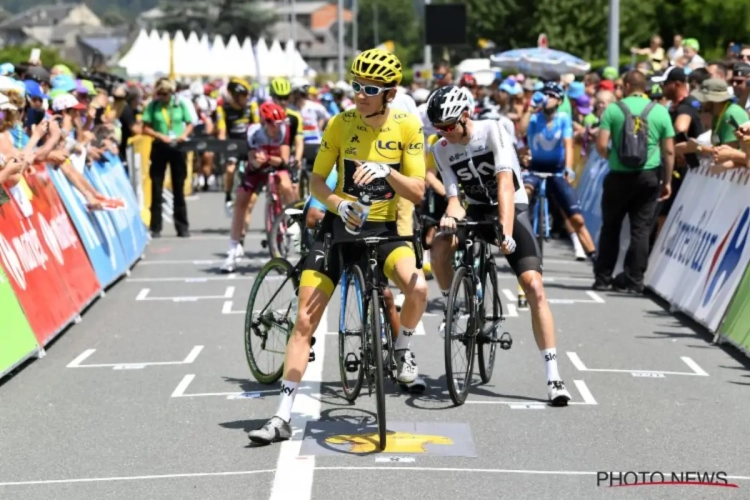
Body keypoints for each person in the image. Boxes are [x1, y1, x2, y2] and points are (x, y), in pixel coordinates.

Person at [248, 48, 428, 444]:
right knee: (304, 322)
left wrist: (388, 171)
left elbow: (417, 191)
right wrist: (340, 203)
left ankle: (403, 347)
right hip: (340, 227)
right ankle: (281, 416)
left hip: (384, 228)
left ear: (390, 93)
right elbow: (316, 183)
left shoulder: (408, 126)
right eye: (355, 85)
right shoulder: (339, 124)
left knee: (417, 287)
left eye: (369, 89)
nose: (359, 94)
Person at [424, 85, 572, 404]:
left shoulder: (493, 129)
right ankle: (456, 308)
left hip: (511, 207)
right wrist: (450, 216)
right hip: (476, 208)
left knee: (534, 287)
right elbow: (453, 197)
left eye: (449, 126)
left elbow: (505, 184)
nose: (445, 133)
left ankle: (554, 376)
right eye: (439, 128)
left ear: (466, 116)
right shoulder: (442, 148)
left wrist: (505, 232)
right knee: (438, 248)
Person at [594, 70, 675, 293]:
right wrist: (666, 181)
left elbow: (601, 144)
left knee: (611, 227)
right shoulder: (660, 111)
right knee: (640, 229)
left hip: (618, 176)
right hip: (648, 176)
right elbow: (668, 151)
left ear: (628, 86)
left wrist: (611, 157)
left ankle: (603, 278)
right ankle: (634, 280)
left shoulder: (614, 109)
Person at [521, 82, 597, 261]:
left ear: (559, 100)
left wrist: (568, 168)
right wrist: (531, 108)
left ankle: (594, 257)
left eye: (552, 95)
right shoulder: (534, 118)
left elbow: (568, 145)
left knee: (577, 219)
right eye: (544, 94)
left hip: (557, 170)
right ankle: (520, 234)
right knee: (525, 193)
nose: (547, 98)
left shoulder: (563, 119)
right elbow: (522, 130)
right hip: (535, 168)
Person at [221, 102, 295, 273]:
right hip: (257, 169)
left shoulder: (284, 130)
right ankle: (233, 247)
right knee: (241, 200)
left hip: (276, 165)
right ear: (265, 122)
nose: (277, 128)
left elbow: (283, 159)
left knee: (286, 183)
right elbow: (252, 161)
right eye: (273, 124)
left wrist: (267, 157)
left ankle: (292, 222)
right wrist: (256, 161)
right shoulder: (253, 131)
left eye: (280, 124)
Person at [141, 77, 193, 238]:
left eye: (165, 94)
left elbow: (190, 122)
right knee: (156, 187)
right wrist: (160, 135)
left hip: (177, 147)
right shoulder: (153, 106)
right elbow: (145, 127)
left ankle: (182, 226)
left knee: (179, 187)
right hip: (160, 146)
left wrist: (183, 135)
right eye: (160, 94)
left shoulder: (179, 105)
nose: (162, 97)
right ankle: (155, 227)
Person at [216, 78, 258, 215]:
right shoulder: (223, 109)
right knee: (230, 169)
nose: (247, 98)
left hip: (248, 142)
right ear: (235, 95)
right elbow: (222, 131)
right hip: (232, 144)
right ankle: (228, 194)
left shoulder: (252, 107)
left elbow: (257, 127)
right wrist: (222, 144)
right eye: (244, 95)